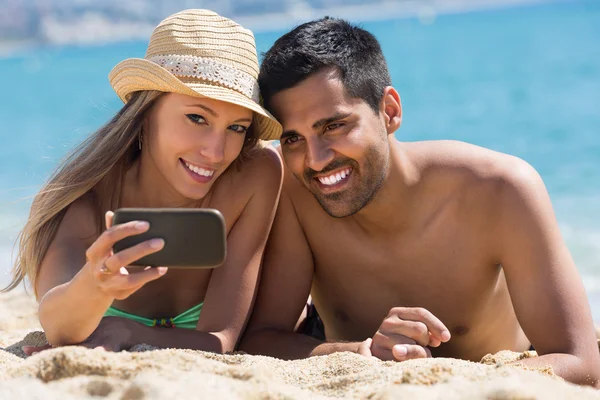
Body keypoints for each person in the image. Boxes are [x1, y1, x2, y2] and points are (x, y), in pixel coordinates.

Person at [239, 17, 600, 387]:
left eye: (334, 126)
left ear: (390, 111)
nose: (314, 160)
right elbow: (262, 340)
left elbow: (582, 363)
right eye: (293, 139)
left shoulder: (500, 190)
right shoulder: (294, 190)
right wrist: (361, 353)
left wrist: (445, 382)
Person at [3, 9, 283, 354]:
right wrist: (96, 284)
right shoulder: (87, 201)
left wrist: (126, 330)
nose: (215, 151)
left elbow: (222, 339)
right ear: (146, 112)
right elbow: (57, 327)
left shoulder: (254, 175)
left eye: (237, 127)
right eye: (197, 117)